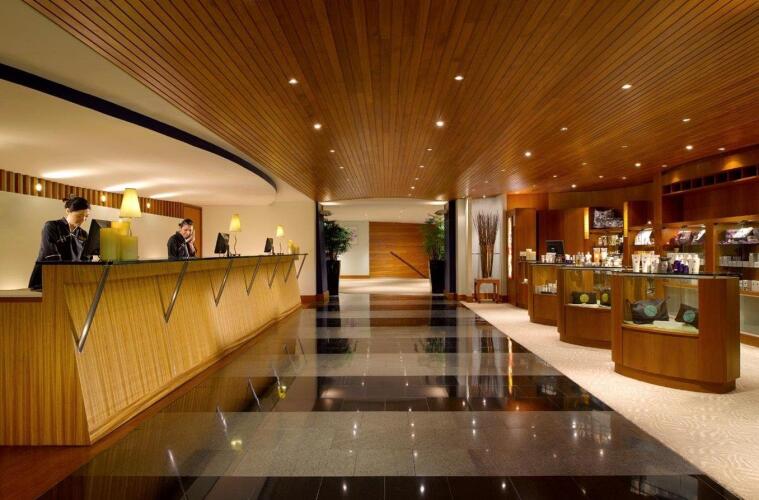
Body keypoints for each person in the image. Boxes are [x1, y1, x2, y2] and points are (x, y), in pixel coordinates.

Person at [28, 195, 92, 290]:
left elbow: (85, 260)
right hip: (46, 280)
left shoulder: (84, 234)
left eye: (86, 216)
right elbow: (52, 256)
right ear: (68, 211)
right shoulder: (51, 226)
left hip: (69, 281)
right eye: (79, 215)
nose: (83, 219)